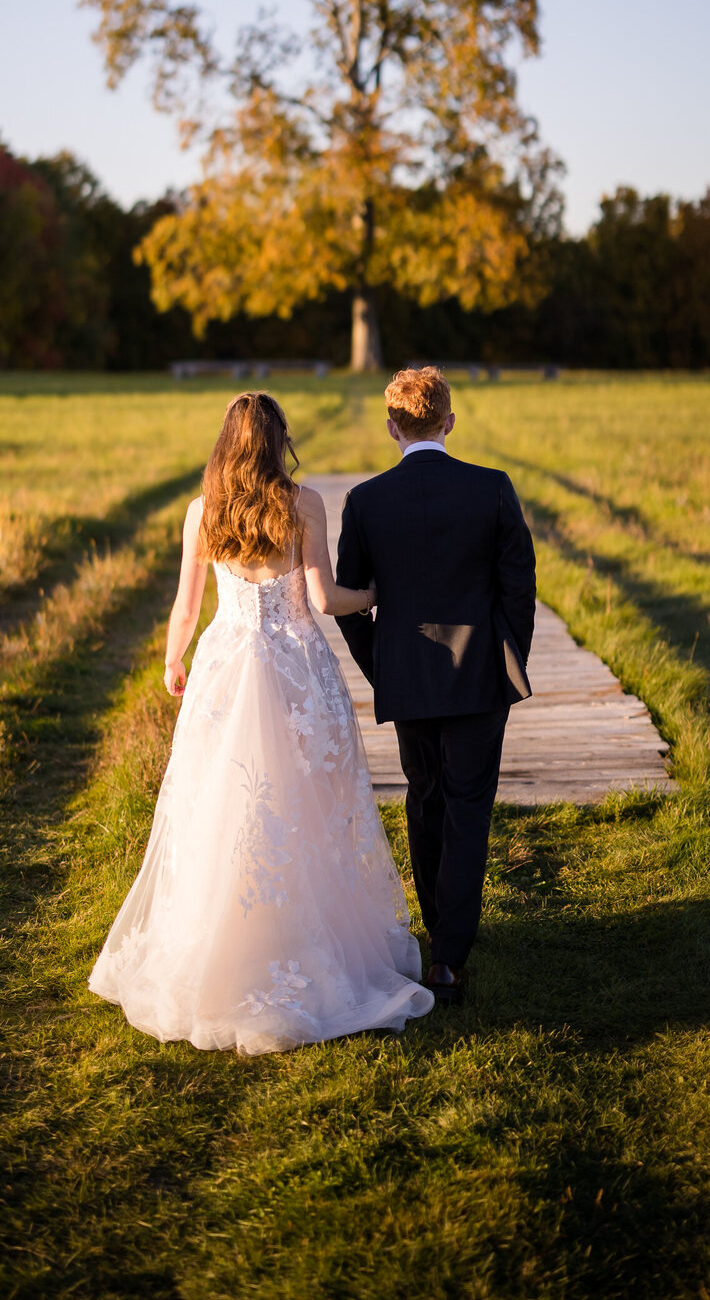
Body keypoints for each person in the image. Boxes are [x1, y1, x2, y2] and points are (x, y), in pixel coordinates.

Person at [89, 391, 434, 1054]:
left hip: (225, 666)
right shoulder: (303, 504)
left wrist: (171, 660)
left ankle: (226, 944)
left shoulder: (202, 511)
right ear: (278, 442)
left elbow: (186, 609)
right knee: (308, 806)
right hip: (297, 671)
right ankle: (301, 940)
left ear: (226, 442)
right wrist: (380, 594)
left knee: (222, 807)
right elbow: (326, 599)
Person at [336, 367, 536, 1004]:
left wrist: (381, 665)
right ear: (449, 422)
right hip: (479, 676)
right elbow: (519, 587)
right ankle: (449, 952)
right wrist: (507, 661)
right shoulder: (492, 489)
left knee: (425, 800)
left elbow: (349, 603)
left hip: (409, 677)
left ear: (393, 428)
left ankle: (437, 932)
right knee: (468, 806)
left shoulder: (366, 501)